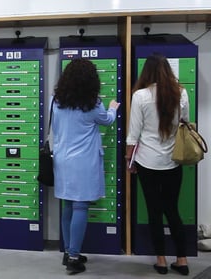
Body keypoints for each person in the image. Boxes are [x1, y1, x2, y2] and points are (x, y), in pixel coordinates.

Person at [52, 58, 120, 274]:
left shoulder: (57, 101)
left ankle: (68, 251)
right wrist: (113, 108)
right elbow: (107, 121)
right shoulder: (93, 104)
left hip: (62, 159)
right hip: (82, 161)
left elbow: (56, 127)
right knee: (80, 206)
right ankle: (73, 258)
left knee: (68, 206)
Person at [125, 53, 190, 276]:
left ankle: (161, 261)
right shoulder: (181, 93)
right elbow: (185, 124)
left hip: (147, 162)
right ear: (168, 71)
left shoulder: (140, 96)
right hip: (173, 161)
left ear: (147, 72)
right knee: (172, 210)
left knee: (154, 212)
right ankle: (182, 259)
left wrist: (129, 161)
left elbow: (133, 134)